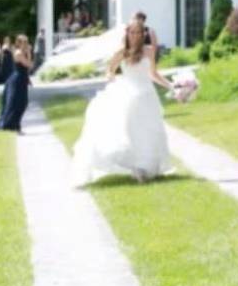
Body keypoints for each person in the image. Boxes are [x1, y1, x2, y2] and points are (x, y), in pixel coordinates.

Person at [70, 20, 174, 186]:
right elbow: (110, 70)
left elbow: (153, 74)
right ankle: (136, 167)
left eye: (138, 33)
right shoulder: (122, 52)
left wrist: (171, 85)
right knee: (131, 130)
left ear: (143, 34)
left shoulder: (149, 51)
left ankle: (146, 167)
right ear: (127, 34)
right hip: (130, 94)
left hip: (147, 95)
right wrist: (110, 77)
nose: (135, 36)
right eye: (132, 33)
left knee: (150, 131)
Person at [0, 34, 32, 133]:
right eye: (24, 42)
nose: (26, 44)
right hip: (17, 80)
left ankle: (15, 125)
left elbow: (27, 68)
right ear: (19, 43)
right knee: (18, 103)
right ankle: (13, 126)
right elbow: (29, 65)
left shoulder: (22, 52)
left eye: (27, 42)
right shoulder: (18, 53)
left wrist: (28, 78)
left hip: (22, 79)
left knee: (22, 103)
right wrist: (29, 53)